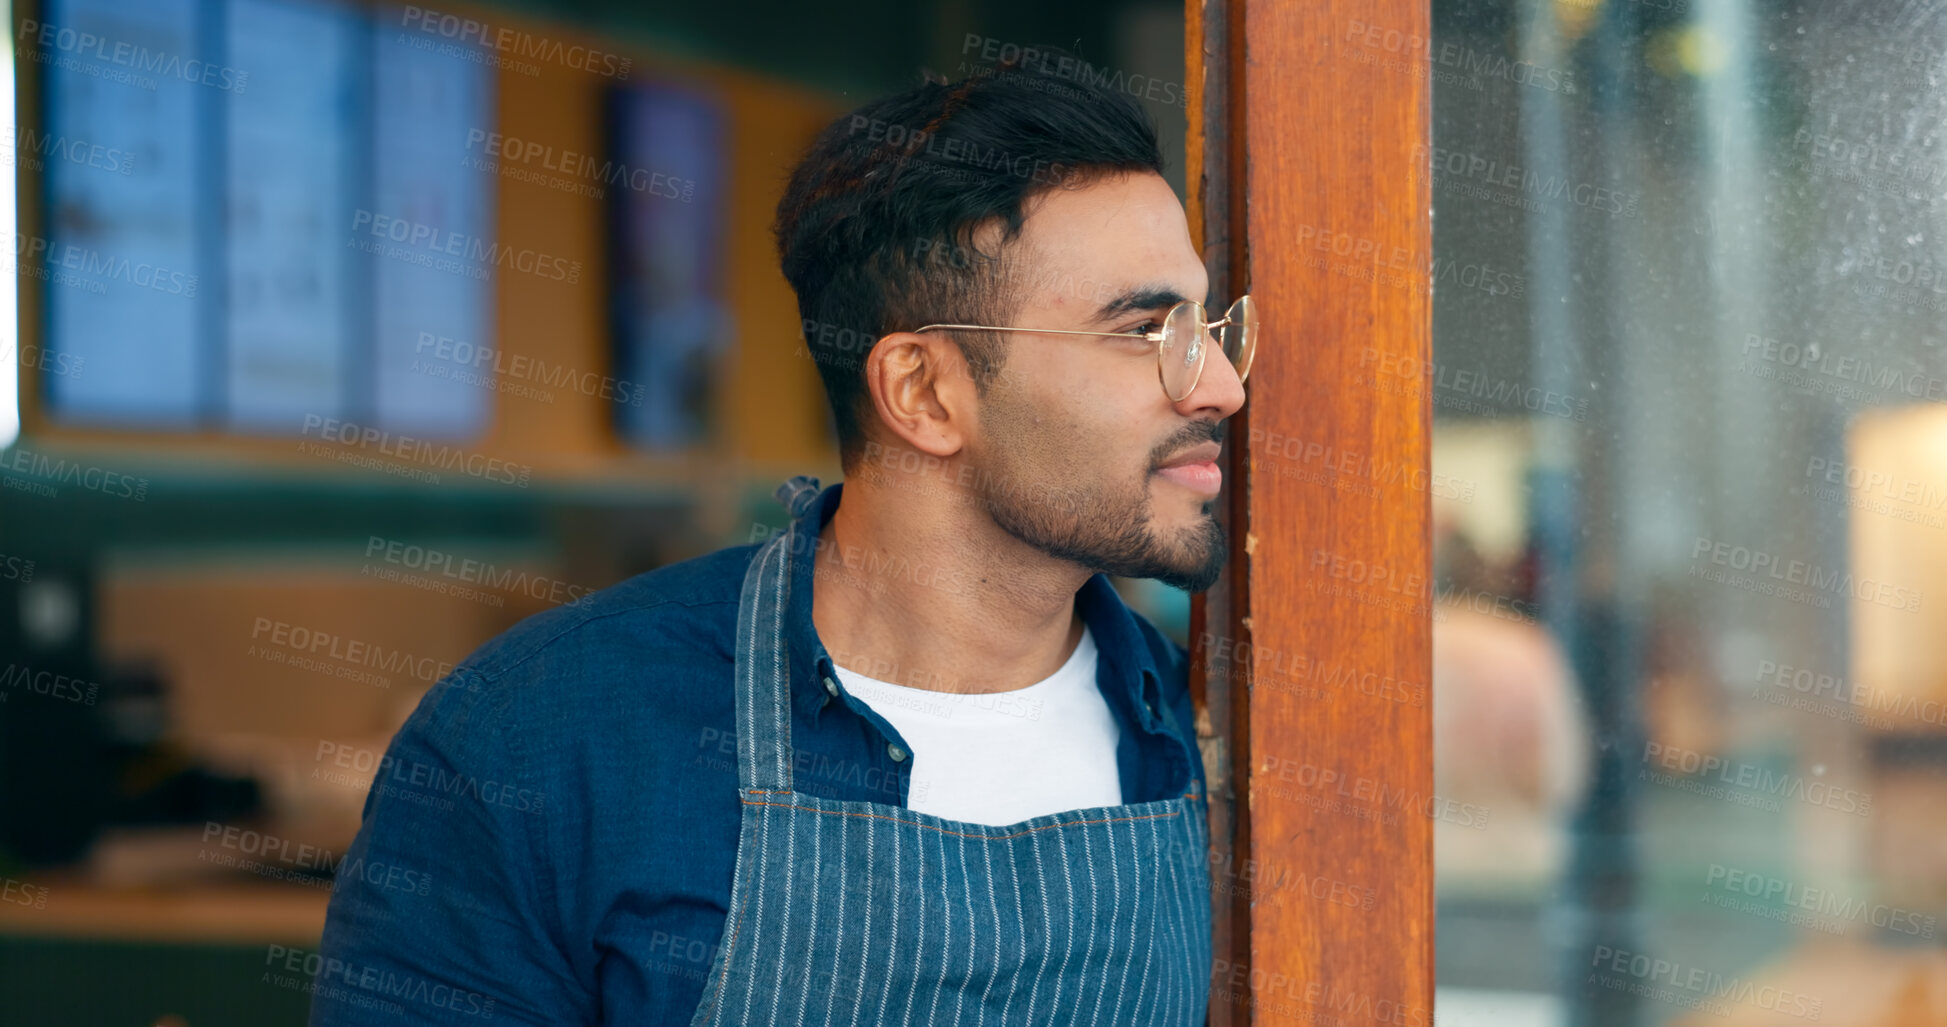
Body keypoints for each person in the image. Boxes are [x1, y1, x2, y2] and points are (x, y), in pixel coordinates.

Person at [313, 47, 1255, 1026]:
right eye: (1146, 332)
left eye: (1211, 327)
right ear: (924, 393)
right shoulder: (541, 743)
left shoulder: (1217, 746)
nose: (1219, 387)